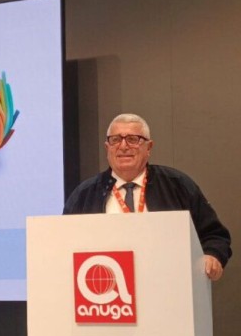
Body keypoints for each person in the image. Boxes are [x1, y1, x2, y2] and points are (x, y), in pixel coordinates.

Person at [63, 113, 231, 280]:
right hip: (107, 288)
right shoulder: (84, 194)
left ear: (149, 147)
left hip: (168, 283)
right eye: (115, 140)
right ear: (107, 148)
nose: (123, 146)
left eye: (132, 139)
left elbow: (214, 236)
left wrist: (213, 255)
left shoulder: (177, 185)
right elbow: (64, 244)